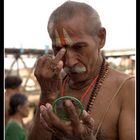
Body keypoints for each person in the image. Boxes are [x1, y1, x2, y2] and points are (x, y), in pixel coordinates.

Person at [28, 1, 135, 140]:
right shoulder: (53, 86)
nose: (70, 61)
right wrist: (47, 96)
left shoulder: (127, 88)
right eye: (59, 49)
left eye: (79, 47)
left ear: (101, 38)